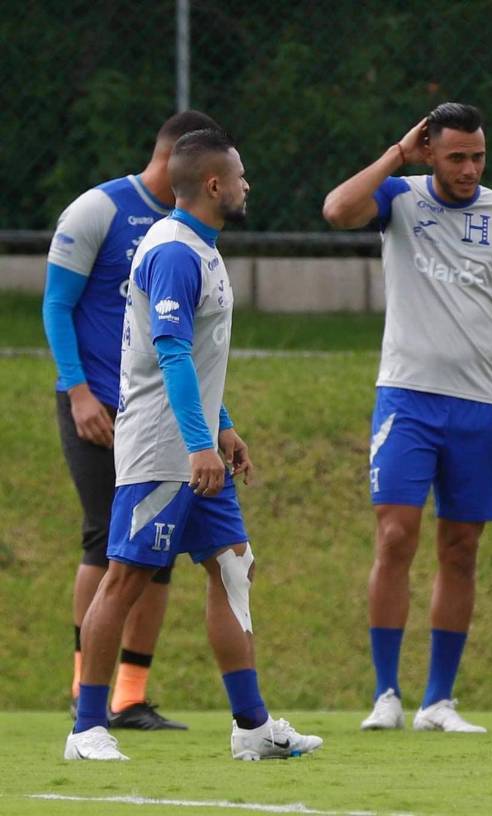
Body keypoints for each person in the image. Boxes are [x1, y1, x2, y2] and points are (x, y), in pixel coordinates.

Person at [64, 128, 322, 761]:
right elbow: (172, 354)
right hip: (161, 447)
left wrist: (223, 426)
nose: (246, 186)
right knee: (124, 577)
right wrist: (199, 442)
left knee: (234, 567)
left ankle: (253, 728)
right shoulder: (176, 251)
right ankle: (87, 729)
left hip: (196, 443)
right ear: (213, 185)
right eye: (239, 176)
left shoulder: (200, 249)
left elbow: (197, 359)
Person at [322, 102, 492, 733]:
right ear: (429, 151)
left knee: (462, 548)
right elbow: (336, 211)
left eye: (477, 157)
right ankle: (385, 693)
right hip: (406, 399)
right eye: (455, 157)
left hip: (477, 407)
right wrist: (395, 155)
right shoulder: (399, 198)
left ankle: (438, 701)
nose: (469, 169)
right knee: (395, 537)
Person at [43, 110, 222, 730]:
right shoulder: (99, 210)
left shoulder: (188, 233)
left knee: (158, 554)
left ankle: (129, 696)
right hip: (97, 408)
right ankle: (83, 692)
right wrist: (78, 393)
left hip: (159, 412)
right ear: (181, 161)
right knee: (106, 540)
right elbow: (56, 304)